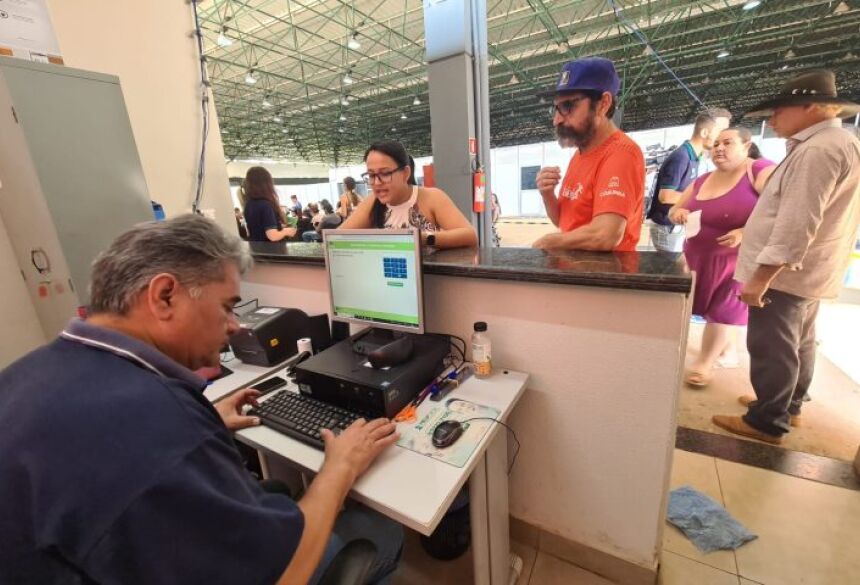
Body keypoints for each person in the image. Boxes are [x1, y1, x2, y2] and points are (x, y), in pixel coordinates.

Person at [0, 214, 403, 583]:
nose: (234, 325)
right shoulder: (165, 422)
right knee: (380, 530)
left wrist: (202, 423)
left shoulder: (25, 374)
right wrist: (340, 468)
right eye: (227, 307)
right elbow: (285, 573)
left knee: (275, 488)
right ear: (164, 296)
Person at [712, 70, 860, 444]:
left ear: (810, 107)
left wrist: (762, 277)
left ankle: (767, 419)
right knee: (800, 340)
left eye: (778, 111)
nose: (771, 120)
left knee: (772, 344)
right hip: (812, 270)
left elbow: (798, 221)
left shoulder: (817, 150)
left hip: (786, 275)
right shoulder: (842, 142)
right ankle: (788, 404)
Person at [668, 127, 775, 386]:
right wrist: (679, 214)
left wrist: (745, 231)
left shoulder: (760, 170)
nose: (718, 148)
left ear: (747, 145)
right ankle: (727, 351)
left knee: (723, 312)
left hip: (735, 261)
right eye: (715, 144)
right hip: (696, 258)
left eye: (727, 142)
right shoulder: (703, 179)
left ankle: (704, 364)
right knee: (698, 309)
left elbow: (783, 210)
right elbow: (674, 209)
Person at [532, 57, 645, 252]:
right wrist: (547, 195)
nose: (556, 120)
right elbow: (564, 221)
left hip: (603, 278)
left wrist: (550, 242)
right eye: (556, 108)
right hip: (578, 273)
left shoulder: (621, 155)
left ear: (603, 104)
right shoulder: (580, 154)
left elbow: (605, 235)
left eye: (568, 107)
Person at [341, 141, 478, 249]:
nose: (377, 182)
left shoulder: (431, 197)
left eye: (385, 173)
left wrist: (423, 239)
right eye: (371, 175)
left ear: (405, 173)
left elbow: (470, 236)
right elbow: (337, 237)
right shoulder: (372, 202)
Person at [646, 109, 732, 252]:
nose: (723, 137)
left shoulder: (694, 158)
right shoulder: (681, 157)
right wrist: (702, 198)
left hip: (676, 226)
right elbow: (665, 196)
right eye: (721, 131)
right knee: (668, 271)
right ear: (704, 133)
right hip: (667, 228)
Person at [242, 166, 297, 242]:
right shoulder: (266, 205)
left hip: (256, 248)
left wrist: (278, 226)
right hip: (272, 250)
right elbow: (272, 236)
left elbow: (258, 228)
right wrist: (287, 231)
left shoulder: (249, 205)